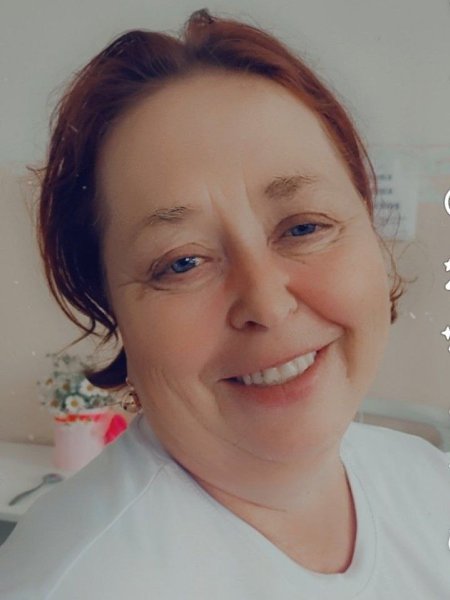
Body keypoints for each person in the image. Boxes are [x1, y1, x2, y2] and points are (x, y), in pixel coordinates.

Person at [1, 8, 449, 599]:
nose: (267, 302)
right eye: (181, 262)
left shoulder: (430, 484)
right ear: (113, 311)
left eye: (304, 227)